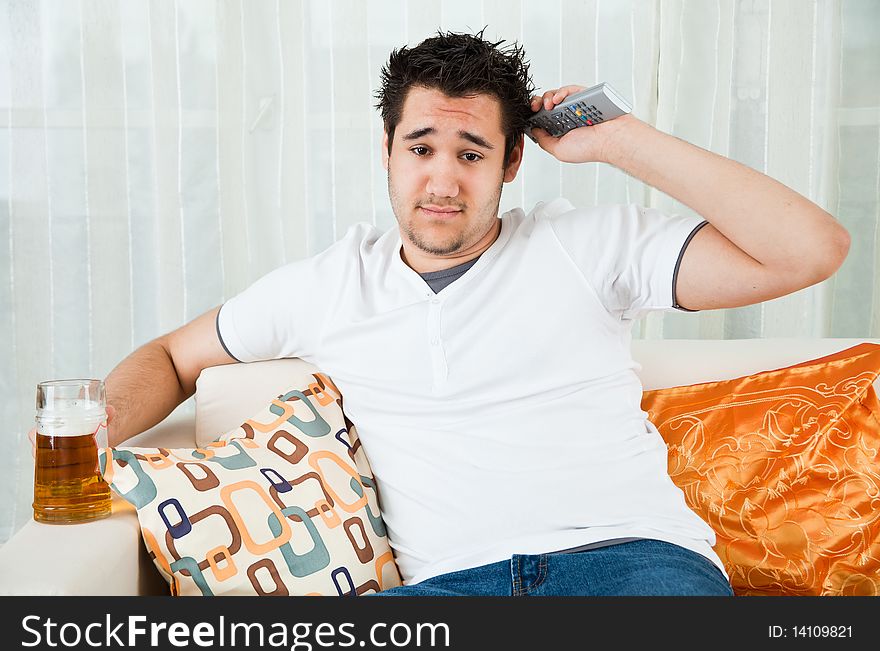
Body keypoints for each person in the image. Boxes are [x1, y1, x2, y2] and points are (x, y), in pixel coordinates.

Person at [99, 30, 849, 596]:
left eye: (471, 153)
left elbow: (809, 250)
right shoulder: (328, 285)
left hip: (634, 566)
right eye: (420, 148)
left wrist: (619, 139)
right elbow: (171, 356)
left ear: (511, 162)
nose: (442, 180)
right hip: (450, 590)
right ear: (387, 151)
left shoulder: (589, 246)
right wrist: (85, 433)